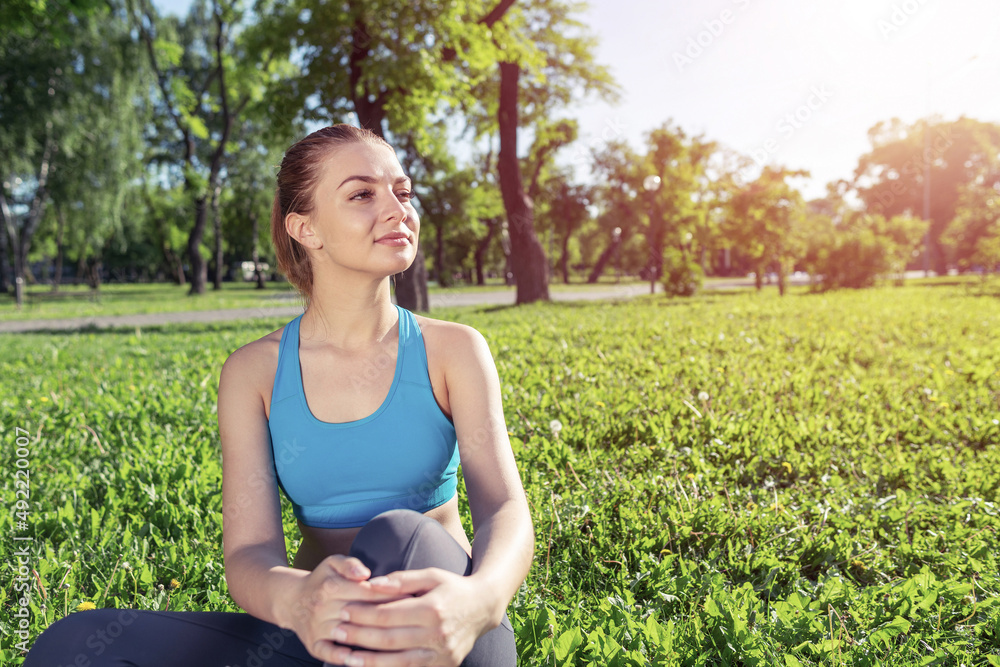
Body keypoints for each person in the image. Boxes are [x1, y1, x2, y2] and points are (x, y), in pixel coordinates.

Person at [23, 124, 534, 666]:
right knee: (73, 643)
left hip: (450, 634)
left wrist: (479, 602)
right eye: (363, 194)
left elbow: (504, 507)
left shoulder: (454, 349)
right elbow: (250, 554)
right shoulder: (253, 373)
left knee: (397, 534)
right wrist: (298, 601)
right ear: (305, 228)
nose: (396, 209)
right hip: (317, 642)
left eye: (402, 192)